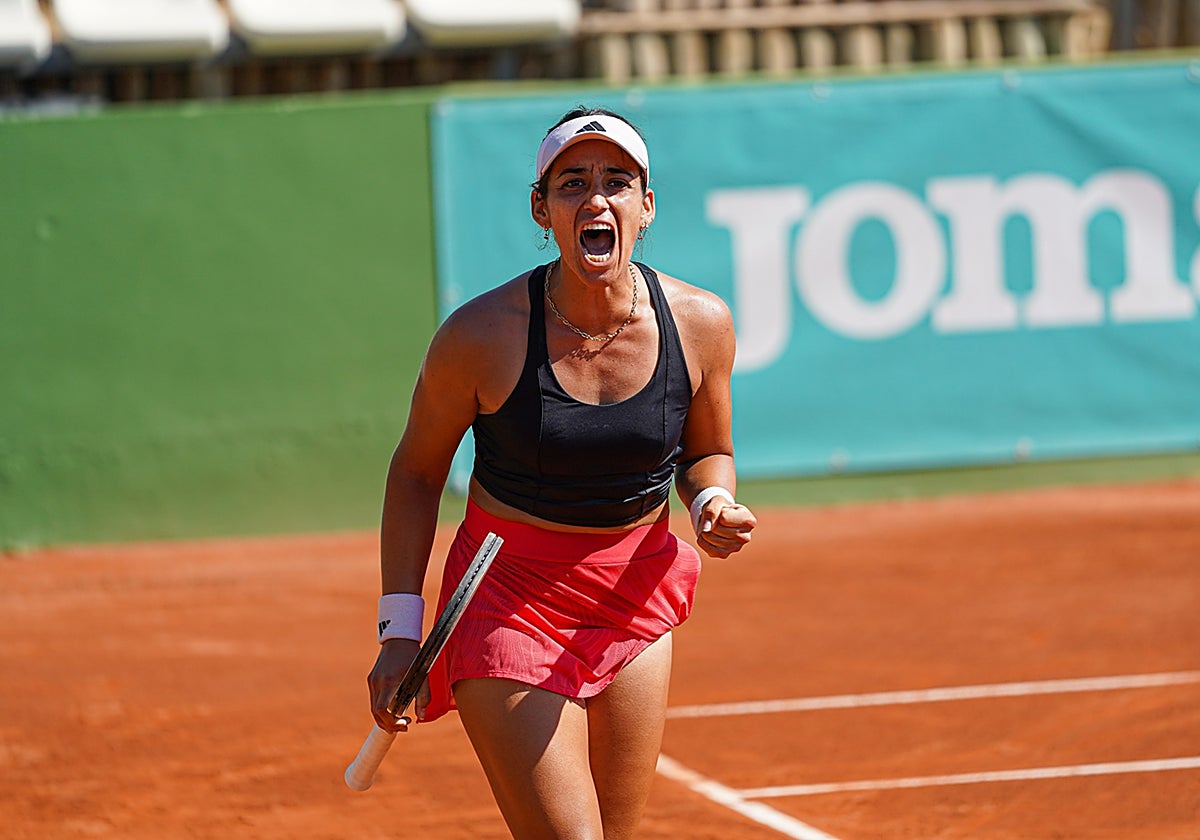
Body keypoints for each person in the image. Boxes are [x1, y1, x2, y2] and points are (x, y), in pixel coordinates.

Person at [366, 105, 757, 840]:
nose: (596, 197)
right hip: (506, 597)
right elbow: (417, 473)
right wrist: (398, 631)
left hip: (634, 596)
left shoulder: (702, 322)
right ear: (542, 209)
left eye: (617, 180)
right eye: (572, 183)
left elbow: (708, 450)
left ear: (647, 205)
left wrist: (711, 500)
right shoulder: (478, 336)